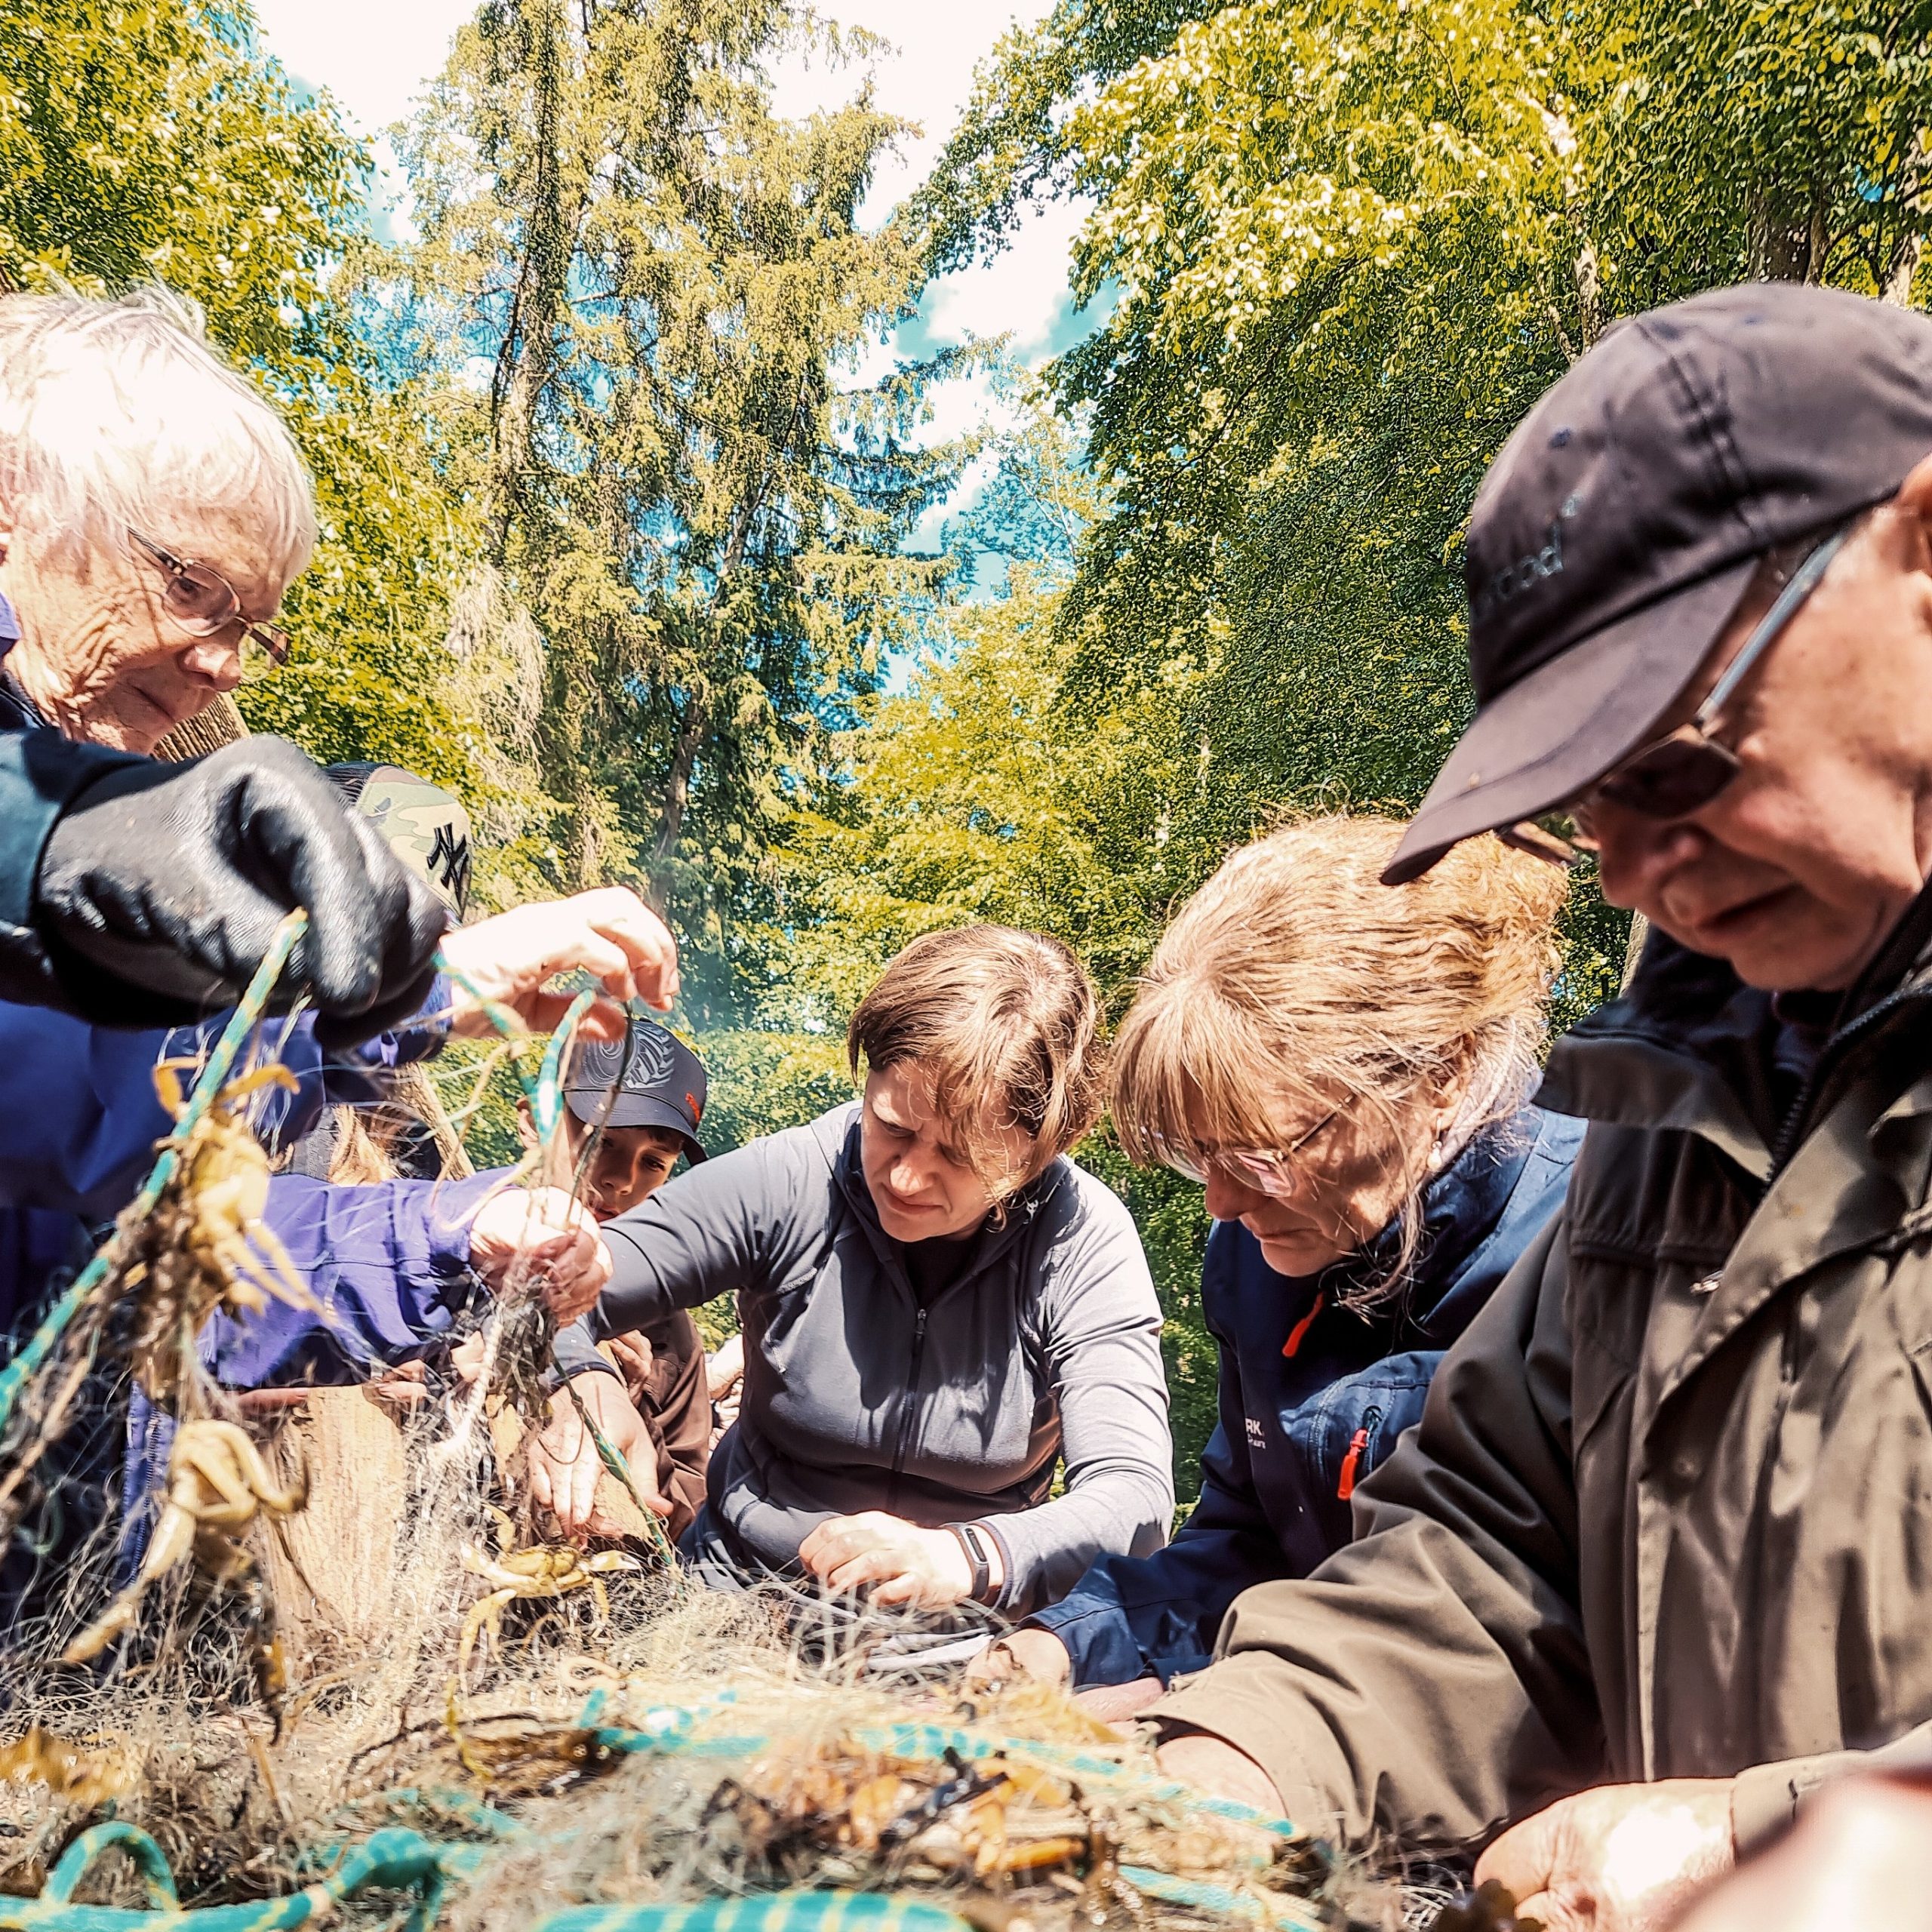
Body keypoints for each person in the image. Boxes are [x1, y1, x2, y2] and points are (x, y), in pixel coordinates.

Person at [1136, 279, 1932, 1925]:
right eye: (1582, 793)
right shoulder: (1681, 1094)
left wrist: (1779, 1832)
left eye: (1668, 756)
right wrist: (1219, 1768)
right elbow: (1489, 1553)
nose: (1627, 868)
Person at [979, 816, 1581, 1709]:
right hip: (1306, 1727)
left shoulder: (1590, 1246)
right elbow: (1249, 1542)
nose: (1220, 1203)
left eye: (1257, 1155)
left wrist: (1232, 1724)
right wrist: (1058, 1648)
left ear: (1442, 1073)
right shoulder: (1259, 1258)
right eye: (1196, 1157)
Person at [532, 926, 1174, 1617]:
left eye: (960, 1157)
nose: (904, 1175)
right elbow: (538, 1284)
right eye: (891, 1124)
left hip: (956, 1642)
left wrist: (967, 1555)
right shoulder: (790, 1181)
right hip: (736, 1602)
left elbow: (1133, 1497)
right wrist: (582, 1381)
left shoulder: (1080, 1241)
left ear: (1039, 1152)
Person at [217, 1017, 716, 1541]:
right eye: (603, 1142)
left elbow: (683, 1498)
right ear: (532, 1122)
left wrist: (633, 1400)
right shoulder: (443, 1243)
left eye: (655, 1162)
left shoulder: (668, 1328)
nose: (622, 1179)